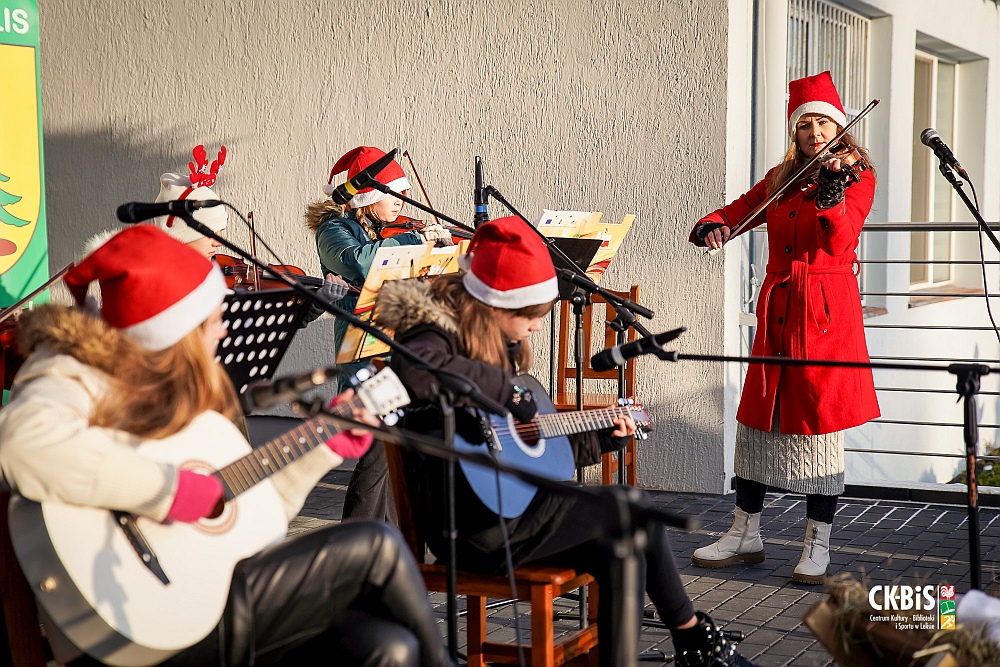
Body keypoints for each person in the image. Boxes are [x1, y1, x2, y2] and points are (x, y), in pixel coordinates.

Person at [0, 226, 452, 667]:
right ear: (174, 329)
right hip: (130, 624)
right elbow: (18, 443)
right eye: (216, 320)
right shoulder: (74, 372)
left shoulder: (182, 392)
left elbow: (253, 515)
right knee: (375, 543)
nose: (223, 333)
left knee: (386, 646)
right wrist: (168, 491)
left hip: (199, 599)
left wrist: (326, 444)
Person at [375, 217, 757, 667]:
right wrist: (508, 391)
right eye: (532, 315)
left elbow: (540, 453)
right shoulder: (431, 330)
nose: (538, 327)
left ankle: (677, 645)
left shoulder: (497, 339)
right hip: (473, 528)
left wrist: (602, 440)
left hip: (515, 508)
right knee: (631, 512)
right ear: (497, 305)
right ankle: (695, 643)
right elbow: (416, 372)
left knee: (627, 538)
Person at [687, 71, 880, 585]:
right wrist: (714, 223)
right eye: (805, 124)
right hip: (778, 313)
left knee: (821, 427)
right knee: (756, 423)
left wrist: (832, 196)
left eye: (822, 123)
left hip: (824, 312)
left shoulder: (856, 176)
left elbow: (841, 240)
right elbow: (743, 210)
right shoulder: (783, 175)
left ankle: (819, 541)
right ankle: (745, 532)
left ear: (838, 127)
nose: (814, 132)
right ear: (795, 132)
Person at [306, 145, 449, 522]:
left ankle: (390, 537)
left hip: (403, 342)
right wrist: (416, 243)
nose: (403, 201)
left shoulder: (393, 231)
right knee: (376, 454)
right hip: (366, 346)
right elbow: (362, 261)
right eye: (393, 193)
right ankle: (359, 536)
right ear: (368, 198)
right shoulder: (334, 230)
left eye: (403, 192)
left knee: (396, 452)